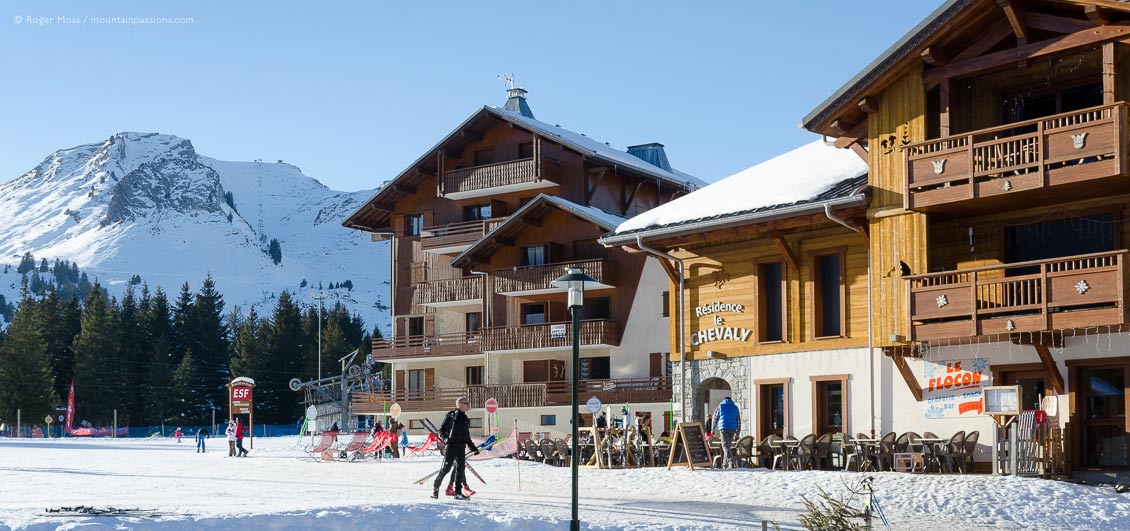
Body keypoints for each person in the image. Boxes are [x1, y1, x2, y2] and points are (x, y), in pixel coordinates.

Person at [432, 397, 479, 500]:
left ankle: (458, 492)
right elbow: (441, 430)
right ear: (460, 404)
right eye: (466, 403)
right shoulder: (452, 415)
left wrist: (473, 448)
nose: (468, 405)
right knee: (446, 469)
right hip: (452, 446)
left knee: (460, 469)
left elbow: (466, 435)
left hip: (461, 447)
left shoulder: (465, 418)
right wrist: (445, 439)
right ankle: (436, 488)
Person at [711, 396, 741, 469]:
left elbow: (715, 418)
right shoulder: (735, 407)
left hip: (723, 428)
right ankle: (725, 464)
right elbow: (738, 420)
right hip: (733, 428)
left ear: (724, 400)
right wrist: (738, 432)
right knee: (728, 446)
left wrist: (713, 429)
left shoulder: (720, 406)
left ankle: (731, 462)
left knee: (725, 446)